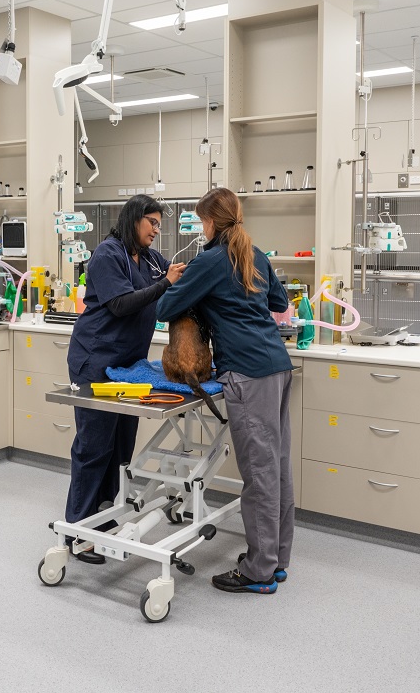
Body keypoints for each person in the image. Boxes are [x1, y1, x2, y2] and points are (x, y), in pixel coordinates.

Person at [155, 187, 293, 594]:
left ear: (211, 222)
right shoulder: (256, 255)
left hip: (248, 372)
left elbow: (165, 309)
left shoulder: (211, 260)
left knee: (259, 474)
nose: (201, 228)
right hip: (278, 367)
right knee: (277, 469)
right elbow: (279, 301)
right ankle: (276, 559)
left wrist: (184, 285)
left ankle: (259, 571)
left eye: (201, 221)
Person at [66, 195, 185, 563]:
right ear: (134, 219)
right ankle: (77, 531)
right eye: (152, 221)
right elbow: (120, 304)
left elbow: (177, 277)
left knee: (121, 447)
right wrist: (166, 283)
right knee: (94, 446)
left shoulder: (149, 258)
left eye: (159, 224)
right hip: (96, 360)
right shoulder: (108, 254)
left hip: (128, 364)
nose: (156, 229)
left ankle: (106, 517)